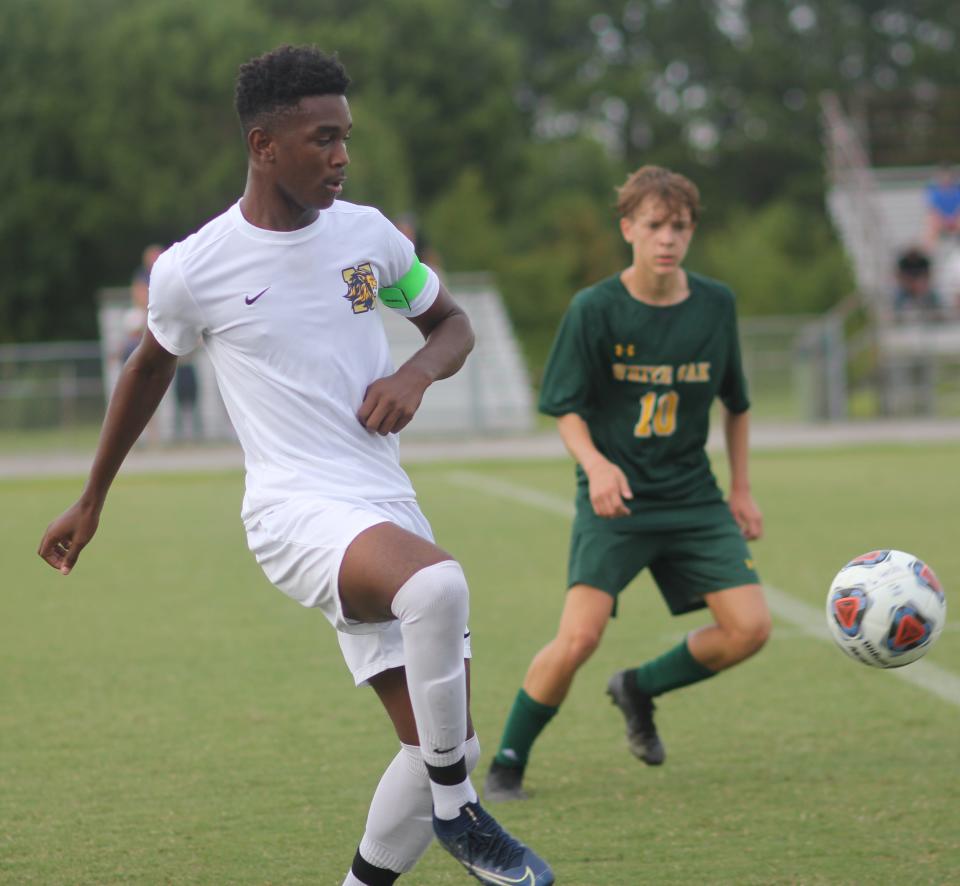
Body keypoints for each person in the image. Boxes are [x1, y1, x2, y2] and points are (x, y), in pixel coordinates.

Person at [38, 45, 553, 886]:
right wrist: (91, 499)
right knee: (439, 589)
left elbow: (452, 324)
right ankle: (464, 815)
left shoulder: (370, 237)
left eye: (347, 136)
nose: (342, 156)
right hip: (292, 511)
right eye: (322, 139)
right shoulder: (193, 268)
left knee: (440, 741)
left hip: (382, 503)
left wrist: (414, 374)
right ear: (263, 145)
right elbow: (148, 370)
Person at [484, 165, 770, 802]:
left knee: (750, 628)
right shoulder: (595, 310)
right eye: (654, 226)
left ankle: (639, 687)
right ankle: (507, 763)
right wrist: (597, 465)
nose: (667, 239)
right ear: (628, 230)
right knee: (579, 637)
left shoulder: (716, 304)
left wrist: (742, 489)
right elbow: (565, 408)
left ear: (692, 232)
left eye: (680, 227)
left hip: (693, 498)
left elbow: (738, 403)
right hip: (615, 502)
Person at [892, 248, 943, 320]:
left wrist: (920, 285)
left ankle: (937, 316)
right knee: (898, 296)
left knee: (934, 296)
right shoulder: (903, 262)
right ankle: (896, 317)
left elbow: (927, 276)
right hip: (907, 288)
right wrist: (910, 285)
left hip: (922, 287)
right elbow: (900, 277)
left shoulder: (924, 261)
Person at [924, 165, 960, 252]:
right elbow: (933, 208)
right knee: (931, 223)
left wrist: (953, 218)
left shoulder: (957, 190)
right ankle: (928, 253)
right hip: (940, 219)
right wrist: (944, 219)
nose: (946, 179)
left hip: (955, 218)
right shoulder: (933, 191)